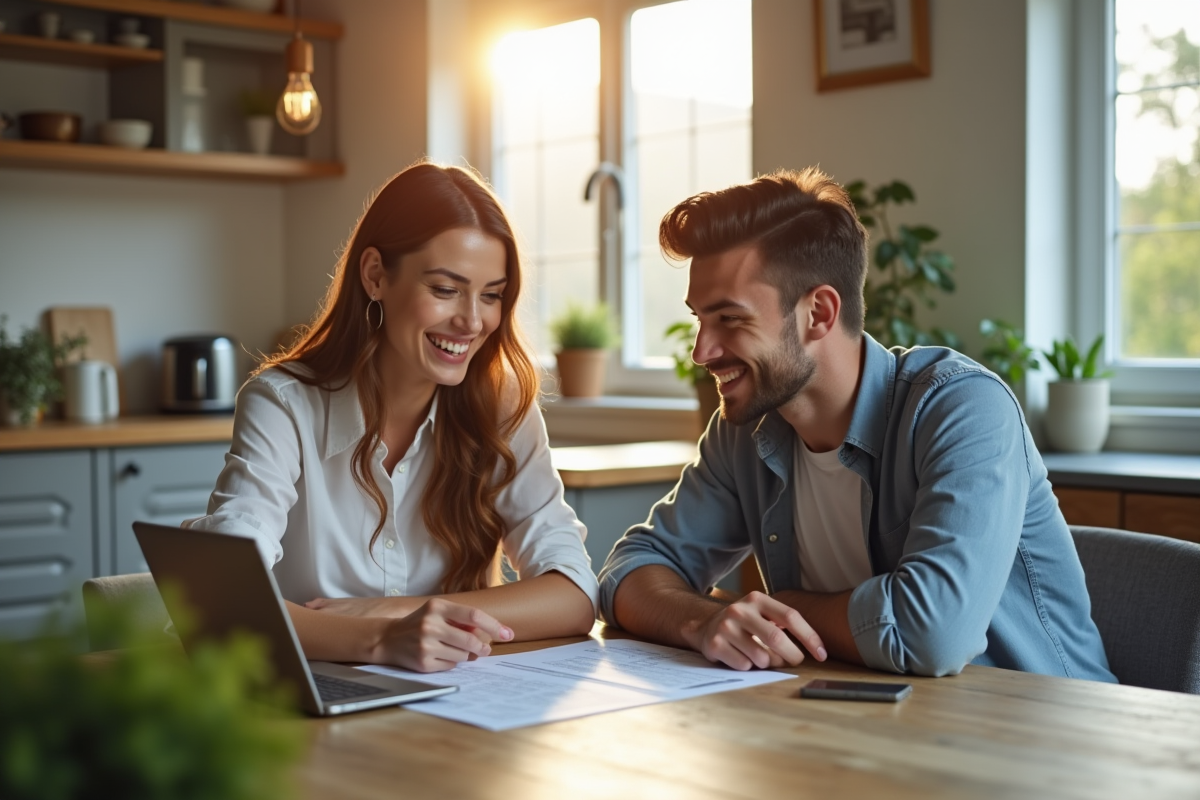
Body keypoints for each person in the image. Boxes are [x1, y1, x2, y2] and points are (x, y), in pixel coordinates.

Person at [598, 168, 1115, 681]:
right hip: (885, 731)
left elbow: (932, 635)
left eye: (729, 319)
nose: (701, 351)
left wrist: (786, 608)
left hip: (1048, 736)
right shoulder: (746, 430)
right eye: (700, 320)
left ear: (818, 313)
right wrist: (705, 618)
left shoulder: (961, 408)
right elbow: (627, 572)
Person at [186, 162, 598, 673]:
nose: (472, 321)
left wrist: (404, 613)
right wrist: (380, 639)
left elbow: (574, 594)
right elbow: (222, 603)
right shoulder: (283, 404)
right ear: (376, 275)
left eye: (491, 295)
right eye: (446, 289)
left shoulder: (501, 404)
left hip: (457, 713)